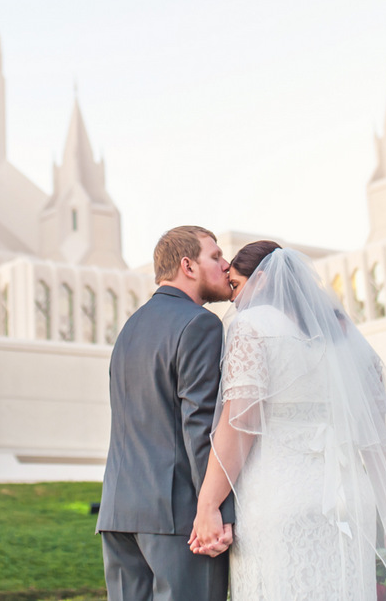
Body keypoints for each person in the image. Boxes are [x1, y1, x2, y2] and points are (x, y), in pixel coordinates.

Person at [190, 241, 386, 601]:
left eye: (235, 285)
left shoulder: (251, 326)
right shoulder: (342, 338)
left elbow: (239, 424)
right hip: (351, 502)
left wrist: (208, 504)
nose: (233, 299)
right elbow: (377, 441)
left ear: (262, 280)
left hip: (279, 500)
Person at [97, 226, 236, 601]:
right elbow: (200, 425)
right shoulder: (199, 324)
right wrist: (215, 509)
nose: (226, 265)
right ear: (188, 266)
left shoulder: (129, 329)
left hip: (118, 515)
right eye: (216, 256)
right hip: (177, 517)